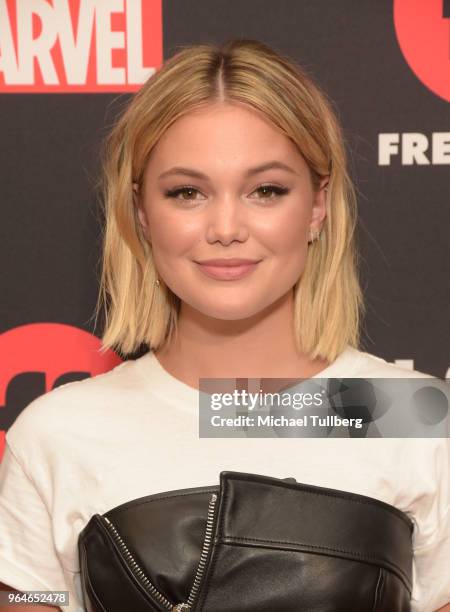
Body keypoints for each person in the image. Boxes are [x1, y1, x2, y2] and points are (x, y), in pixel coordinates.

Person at [0, 39, 449, 612]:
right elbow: (34, 594)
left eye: (266, 190)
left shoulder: (414, 415)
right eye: (187, 193)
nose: (226, 226)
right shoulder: (58, 434)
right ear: (141, 212)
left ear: (318, 206)